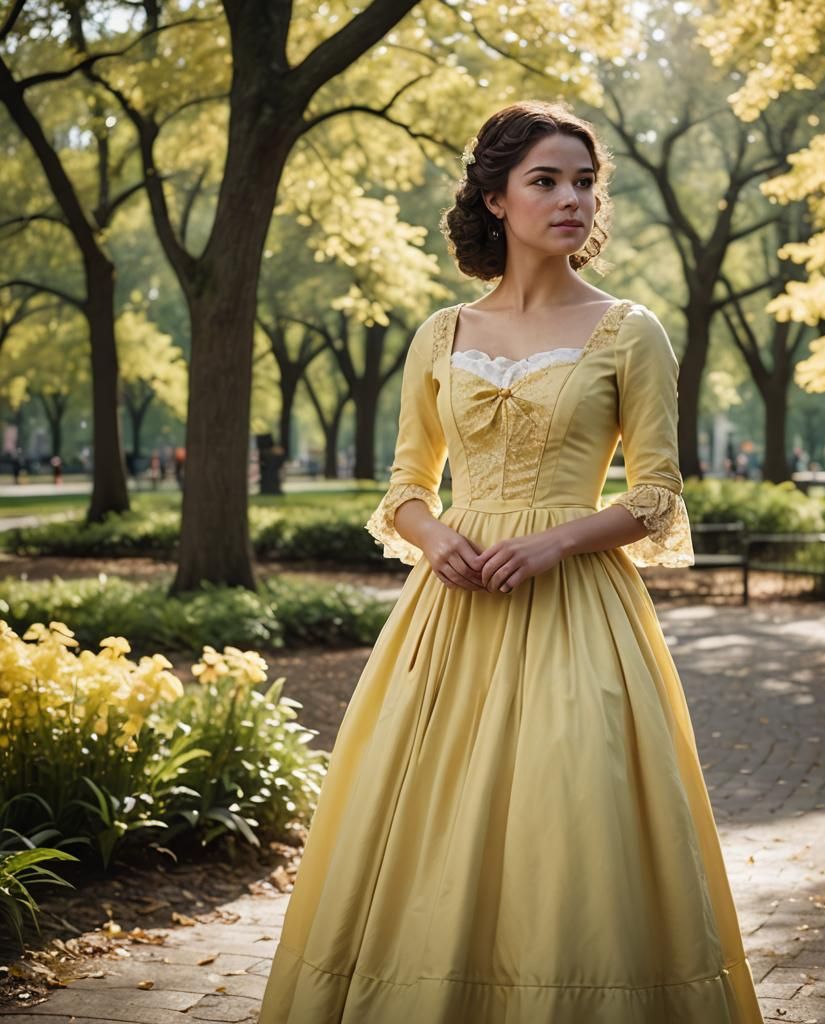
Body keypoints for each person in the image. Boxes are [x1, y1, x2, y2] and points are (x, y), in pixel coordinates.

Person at [258, 100, 764, 1023]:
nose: (571, 198)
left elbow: (656, 495)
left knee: (572, 819)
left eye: (584, 182)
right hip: (449, 617)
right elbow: (406, 485)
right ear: (496, 198)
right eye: (546, 180)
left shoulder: (629, 330)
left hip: (579, 614)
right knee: (418, 826)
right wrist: (435, 533)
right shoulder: (441, 335)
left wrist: (556, 539)